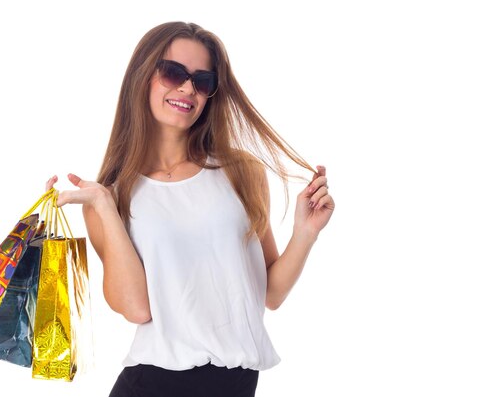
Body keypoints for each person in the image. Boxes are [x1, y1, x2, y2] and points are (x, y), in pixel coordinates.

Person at [46, 21, 334, 397]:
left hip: (235, 384)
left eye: (202, 81)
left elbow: (270, 294)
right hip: (152, 384)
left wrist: (306, 233)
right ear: (143, 76)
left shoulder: (241, 172)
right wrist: (103, 205)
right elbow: (135, 309)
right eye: (173, 73)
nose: (187, 88)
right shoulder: (114, 195)